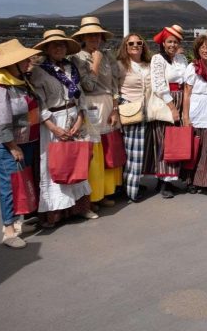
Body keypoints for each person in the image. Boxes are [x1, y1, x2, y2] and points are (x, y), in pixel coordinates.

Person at [29, 30, 94, 226]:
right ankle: (55, 214)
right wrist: (53, 127)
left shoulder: (71, 67)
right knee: (55, 165)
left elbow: (80, 94)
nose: (58, 48)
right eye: (54, 45)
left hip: (74, 118)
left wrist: (80, 118)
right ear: (47, 48)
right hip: (53, 121)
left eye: (62, 45)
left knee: (76, 162)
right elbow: (39, 102)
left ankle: (80, 208)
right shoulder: (39, 71)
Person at [0, 39, 42, 248]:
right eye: (24, 60)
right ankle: (8, 229)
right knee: (10, 183)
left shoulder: (19, 82)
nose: (29, 63)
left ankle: (18, 219)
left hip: (25, 139)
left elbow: (23, 114)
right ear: (10, 64)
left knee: (21, 180)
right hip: (6, 144)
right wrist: (13, 147)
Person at [70, 16, 121, 212]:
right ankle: (90, 198)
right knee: (93, 154)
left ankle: (103, 193)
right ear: (83, 38)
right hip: (91, 105)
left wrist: (115, 108)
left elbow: (114, 83)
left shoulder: (107, 56)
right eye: (90, 36)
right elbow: (88, 85)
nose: (94, 39)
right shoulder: (78, 58)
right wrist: (96, 63)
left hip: (108, 105)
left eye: (97, 36)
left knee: (108, 150)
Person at [145, 24, 187, 199]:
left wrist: (184, 107)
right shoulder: (157, 59)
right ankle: (164, 182)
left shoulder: (182, 59)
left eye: (175, 42)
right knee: (164, 142)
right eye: (169, 42)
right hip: (166, 102)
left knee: (176, 142)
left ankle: (171, 178)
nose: (172, 45)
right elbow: (159, 86)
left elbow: (186, 81)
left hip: (181, 98)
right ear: (163, 43)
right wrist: (172, 108)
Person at [116, 33, 152, 202]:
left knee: (138, 152)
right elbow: (113, 89)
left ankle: (131, 184)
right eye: (131, 43)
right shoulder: (121, 66)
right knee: (134, 153)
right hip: (130, 110)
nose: (136, 45)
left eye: (139, 42)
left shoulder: (147, 65)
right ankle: (131, 190)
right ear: (125, 46)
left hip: (146, 111)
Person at [181, 34, 207, 192]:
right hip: (196, 110)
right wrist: (186, 116)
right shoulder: (192, 68)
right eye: (203, 47)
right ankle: (190, 181)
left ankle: (202, 181)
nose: (206, 50)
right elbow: (187, 94)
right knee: (194, 148)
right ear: (197, 50)